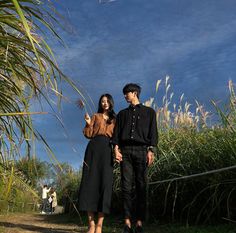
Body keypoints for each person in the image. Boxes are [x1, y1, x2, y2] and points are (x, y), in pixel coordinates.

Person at [112, 83, 158, 233]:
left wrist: (150, 150)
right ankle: (127, 223)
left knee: (141, 186)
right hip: (125, 152)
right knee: (125, 187)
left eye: (127, 93)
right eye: (124, 93)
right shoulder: (121, 114)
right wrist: (116, 150)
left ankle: (139, 223)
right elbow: (116, 135)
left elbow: (153, 132)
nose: (125, 96)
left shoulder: (149, 112)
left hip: (141, 151)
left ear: (135, 93)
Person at [78, 94, 116, 233]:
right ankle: (91, 224)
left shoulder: (114, 119)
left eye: (107, 101)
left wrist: (117, 151)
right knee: (90, 184)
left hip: (107, 151)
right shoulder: (95, 116)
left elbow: (116, 138)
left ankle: (100, 225)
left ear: (111, 103)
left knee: (105, 184)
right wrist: (88, 123)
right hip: (93, 150)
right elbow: (88, 134)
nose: (105, 103)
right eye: (102, 101)